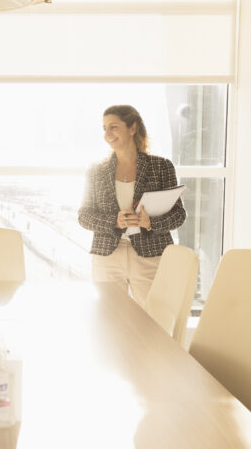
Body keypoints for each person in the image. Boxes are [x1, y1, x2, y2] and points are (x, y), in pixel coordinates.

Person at [78, 105, 186, 307]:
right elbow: (84, 215)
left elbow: (178, 215)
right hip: (108, 256)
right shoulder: (96, 171)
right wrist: (114, 221)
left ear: (132, 128)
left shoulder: (161, 166)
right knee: (109, 321)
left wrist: (150, 222)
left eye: (113, 127)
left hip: (150, 255)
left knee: (154, 319)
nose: (107, 134)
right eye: (104, 129)